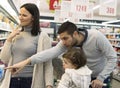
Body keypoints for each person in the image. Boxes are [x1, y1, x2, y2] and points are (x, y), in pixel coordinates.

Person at [6, 21, 117, 88]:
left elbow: (112, 57)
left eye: (65, 38)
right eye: (61, 39)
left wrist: (101, 78)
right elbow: (49, 53)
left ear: (75, 33)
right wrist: (25, 62)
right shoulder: (66, 43)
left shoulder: (96, 37)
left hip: (99, 77)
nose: (63, 42)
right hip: (78, 76)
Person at [0, 3, 53, 88]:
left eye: (24, 15)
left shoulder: (42, 37)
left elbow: (47, 63)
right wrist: (9, 39)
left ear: (33, 18)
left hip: (30, 81)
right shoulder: (16, 34)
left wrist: (49, 85)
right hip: (12, 80)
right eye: (20, 14)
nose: (20, 17)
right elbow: (4, 59)